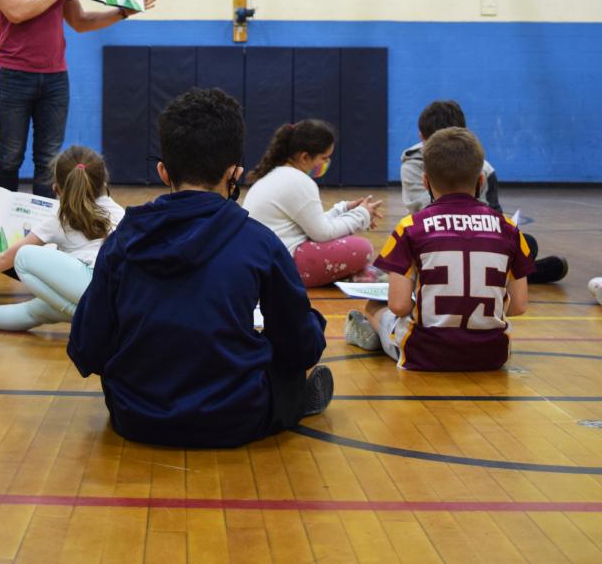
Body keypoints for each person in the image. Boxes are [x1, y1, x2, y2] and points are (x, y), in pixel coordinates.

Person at [67, 88, 332, 449]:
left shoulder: (122, 241)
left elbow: (86, 348)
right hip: (236, 418)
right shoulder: (259, 243)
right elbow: (302, 348)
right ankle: (297, 400)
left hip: (136, 417)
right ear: (234, 173)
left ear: (163, 171)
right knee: (291, 353)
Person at [0, 0, 157, 197]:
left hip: (55, 78)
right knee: (10, 154)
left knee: (49, 159)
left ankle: (42, 226)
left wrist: (124, 12)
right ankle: (0, 221)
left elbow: (80, 21)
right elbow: (15, 11)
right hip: (15, 75)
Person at [344, 127, 534, 371]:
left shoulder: (410, 227)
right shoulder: (509, 228)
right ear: (481, 180)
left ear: (425, 181)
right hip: (492, 355)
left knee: (374, 307)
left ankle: (377, 336)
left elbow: (399, 305)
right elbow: (519, 306)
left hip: (423, 354)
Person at [0, 145, 124, 331]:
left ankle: (87, 315)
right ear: (104, 181)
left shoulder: (60, 221)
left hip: (92, 291)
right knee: (36, 309)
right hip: (119, 298)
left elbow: (7, 257)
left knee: (23, 256)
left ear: (57, 189)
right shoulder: (122, 215)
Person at [401, 99, 567, 283]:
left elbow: (495, 213)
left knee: (524, 242)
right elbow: (422, 212)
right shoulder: (413, 165)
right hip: (434, 237)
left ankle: (508, 273)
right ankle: (523, 275)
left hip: (476, 237)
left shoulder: (482, 166)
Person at [242, 120, 385, 288]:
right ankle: (353, 273)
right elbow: (322, 233)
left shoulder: (278, 174)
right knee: (362, 248)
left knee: (344, 240)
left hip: (263, 262)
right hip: (281, 266)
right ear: (304, 157)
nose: (326, 163)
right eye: (324, 158)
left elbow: (312, 225)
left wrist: (343, 210)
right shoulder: (298, 180)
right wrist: (362, 215)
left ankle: (351, 273)